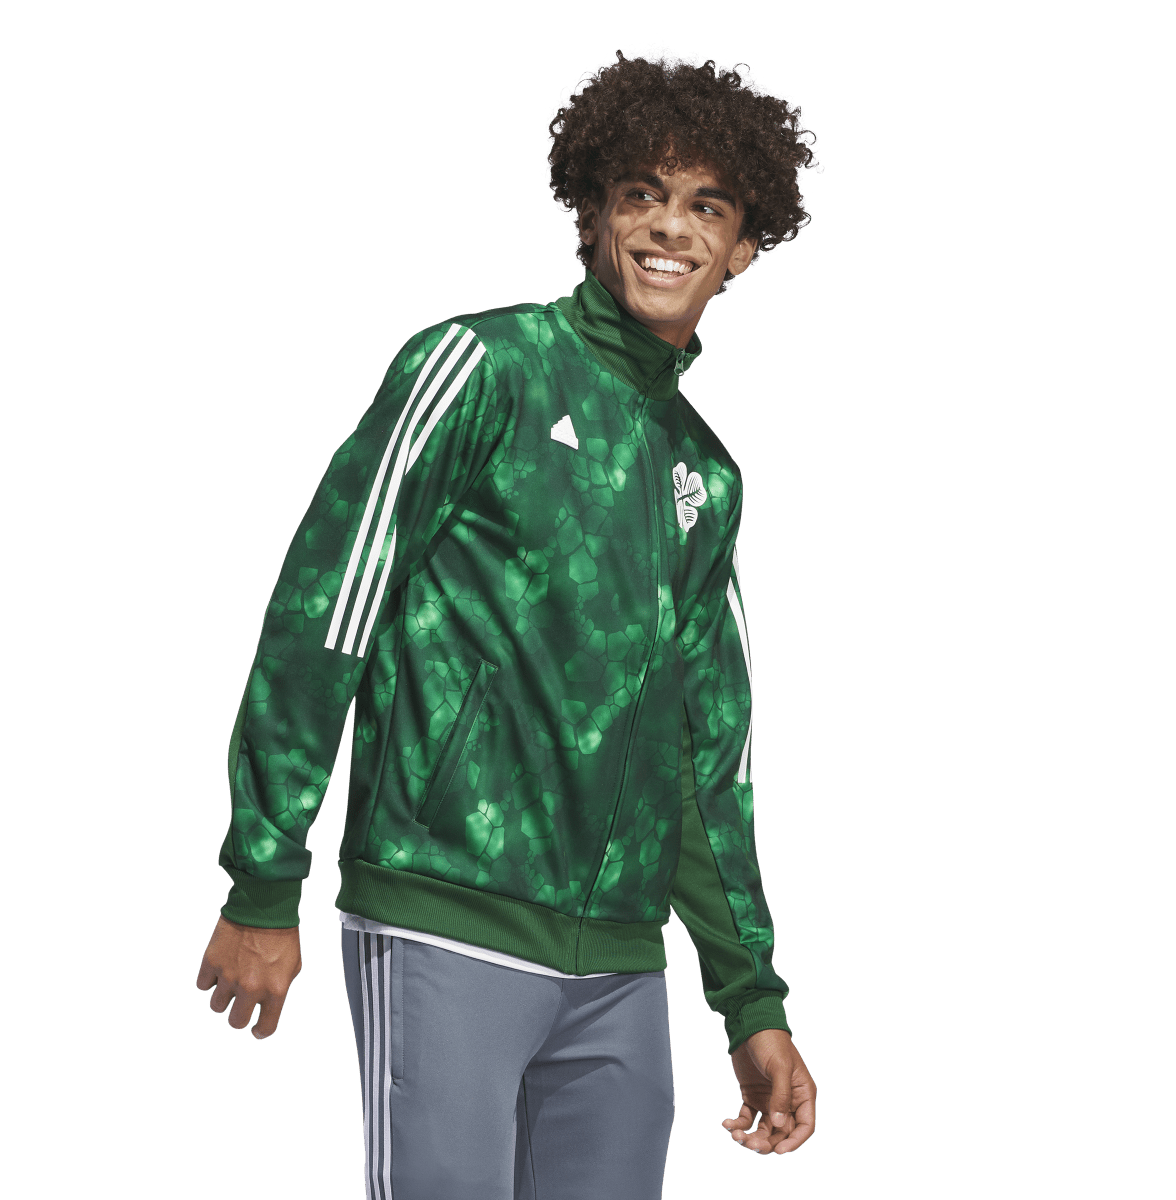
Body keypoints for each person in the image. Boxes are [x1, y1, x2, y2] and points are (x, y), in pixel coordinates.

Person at [196, 45, 822, 1200]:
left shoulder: (706, 477)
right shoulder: (481, 370)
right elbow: (326, 614)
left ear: (743, 247)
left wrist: (751, 1000)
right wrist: (264, 881)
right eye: (640, 193)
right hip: (447, 915)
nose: (669, 226)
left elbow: (704, 756)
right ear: (590, 214)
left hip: (621, 969)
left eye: (707, 206)